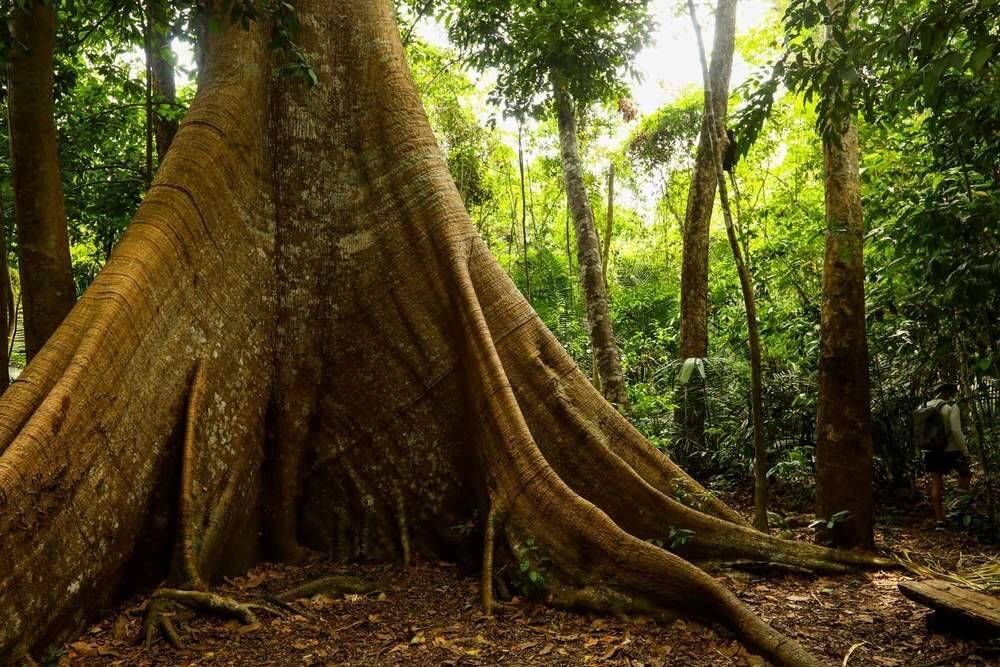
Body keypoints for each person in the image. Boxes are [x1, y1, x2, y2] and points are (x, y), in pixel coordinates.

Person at [918, 383, 973, 524]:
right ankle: (960, 510)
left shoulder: (922, 407)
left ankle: (940, 520)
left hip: (931, 451)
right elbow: (956, 431)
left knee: (936, 484)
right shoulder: (950, 407)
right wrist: (965, 451)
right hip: (952, 450)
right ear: (946, 393)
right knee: (965, 475)